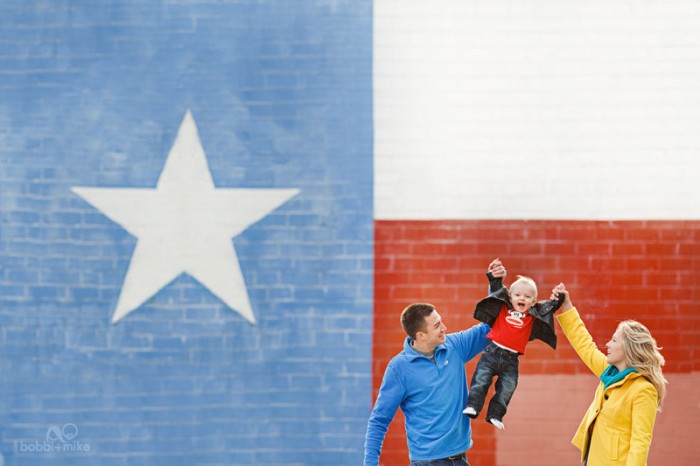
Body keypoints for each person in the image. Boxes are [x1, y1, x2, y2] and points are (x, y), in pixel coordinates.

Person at [363, 261, 507, 466]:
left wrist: (495, 286)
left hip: (461, 460)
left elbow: (489, 328)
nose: (444, 328)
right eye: (437, 325)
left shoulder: (455, 346)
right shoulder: (399, 369)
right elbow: (379, 420)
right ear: (420, 335)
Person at [551, 283, 667, 465]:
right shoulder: (609, 373)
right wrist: (566, 306)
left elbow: (640, 442)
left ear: (628, 348)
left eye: (614, 340)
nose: (608, 345)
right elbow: (584, 345)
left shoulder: (644, 390)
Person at [463, 260, 564, 430]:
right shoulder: (504, 307)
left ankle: (495, 415)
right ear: (510, 297)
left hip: (511, 360)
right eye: (517, 295)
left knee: (508, 387)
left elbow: (550, 307)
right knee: (481, 379)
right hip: (492, 353)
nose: (522, 298)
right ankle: (473, 406)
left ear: (534, 301)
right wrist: (494, 276)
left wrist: (559, 297)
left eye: (527, 297)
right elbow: (496, 289)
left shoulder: (533, 315)